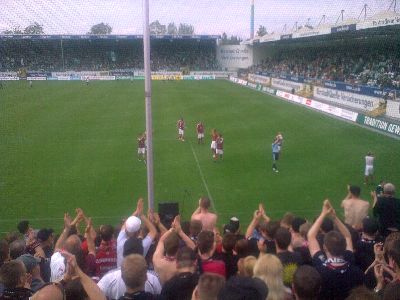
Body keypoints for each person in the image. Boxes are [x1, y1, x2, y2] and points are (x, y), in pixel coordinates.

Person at [307, 200, 364, 299]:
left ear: (324, 247)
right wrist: (334, 217)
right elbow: (347, 236)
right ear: (344, 246)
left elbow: (311, 236)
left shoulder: (320, 267)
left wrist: (323, 214)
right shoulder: (351, 262)